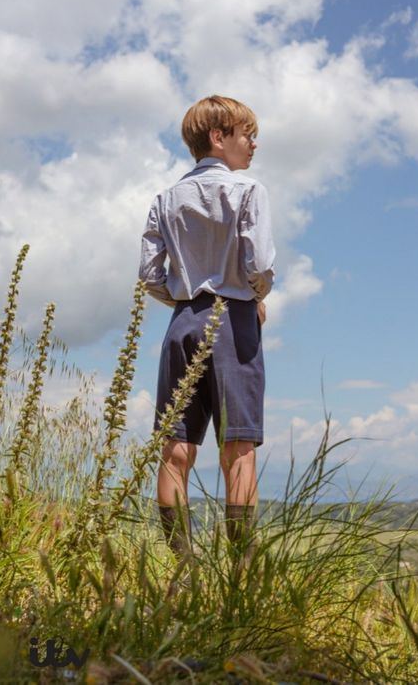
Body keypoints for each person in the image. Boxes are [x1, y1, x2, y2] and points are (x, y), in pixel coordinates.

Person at [139, 95, 275, 580]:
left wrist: (184, 298)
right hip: (234, 319)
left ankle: (184, 568)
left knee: (176, 448)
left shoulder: (164, 199)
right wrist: (257, 294)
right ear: (218, 137)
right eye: (246, 134)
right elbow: (258, 265)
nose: (253, 143)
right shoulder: (248, 190)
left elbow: (150, 276)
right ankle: (239, 573)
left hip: (182, 322)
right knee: (238, 446)